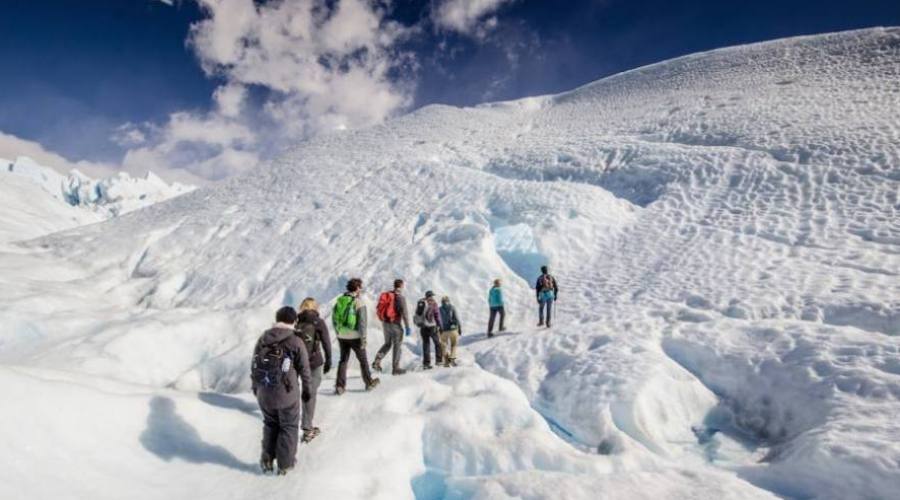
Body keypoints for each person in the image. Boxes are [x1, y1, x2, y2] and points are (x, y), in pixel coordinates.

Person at [251, 306, 312, 475]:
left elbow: (254, 365)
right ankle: (285, 465)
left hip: (264, 392)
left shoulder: (263, 338)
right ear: (294, 321)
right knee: (289, 427)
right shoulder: (295, 341)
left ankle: (267, 459)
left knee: (270, 424)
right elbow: (305, 370)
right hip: (286, 394)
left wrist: (256, 388)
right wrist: (307, 390)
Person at [333, 278, 380, 395]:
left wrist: (338, 332)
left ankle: (340, 386)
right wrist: (363, 338)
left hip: (342, 335)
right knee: (363, 360)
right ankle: (369, 382)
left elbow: (334, 318)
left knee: (343, 360)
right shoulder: (359, 302)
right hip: (355, 336)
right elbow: (362, 322)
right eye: (360, 287)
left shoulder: (340, 299)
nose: (361, 289)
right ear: (357, 288)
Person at [295, 297, 331, 444]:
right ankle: (307, 428)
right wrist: (329, 360)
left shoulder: (297, 322)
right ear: (315, 307)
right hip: (314, 362)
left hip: (298, 362)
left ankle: (296, 422)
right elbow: (327, 342)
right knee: (310, 392)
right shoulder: (318, 322)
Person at [372, 279, 412, 375]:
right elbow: (405, 314)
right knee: (397, 345)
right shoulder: (400, 298)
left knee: (387, 344)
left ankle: (377, 361)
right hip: (395, 324)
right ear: (401, 286)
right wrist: (407, 327)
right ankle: (396, 368)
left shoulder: (388, 295)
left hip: (385, 324)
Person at [414, 290, 443, 369]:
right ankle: (439, 361)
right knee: (437, 343)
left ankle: (426, 364)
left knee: (426, 345)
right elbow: (437, 315)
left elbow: (417, 313)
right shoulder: (433, 303)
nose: (432, 297)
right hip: (432, 327)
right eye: (432, 296)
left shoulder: (421, 302)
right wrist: (440, 326)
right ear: (431, 296)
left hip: (423, 327)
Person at [439, 296, 462, 367]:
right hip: (453, 330)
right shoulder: (452, 307)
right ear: (448, 301)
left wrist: (439, 328)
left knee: (443, 346)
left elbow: (437, 320)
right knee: (454, 344)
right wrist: (460, 328)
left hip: (443, 331)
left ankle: (446, 361)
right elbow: (457, 318)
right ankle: (452, 359)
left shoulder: (439, 309)